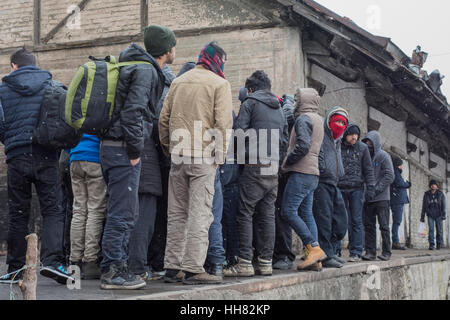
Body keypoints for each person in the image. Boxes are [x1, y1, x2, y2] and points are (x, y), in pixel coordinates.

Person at [99, 25, 170, 290]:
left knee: (121, 211)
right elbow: (134, 112)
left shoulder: (130, 66)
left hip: (110, 146)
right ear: (166, 49)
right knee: (123, 213)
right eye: (173, 45)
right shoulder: (145, 70)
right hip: (121, 149)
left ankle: (116, 267)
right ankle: (112, 272)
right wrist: (134, 150)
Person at [159, 41, 233, 285]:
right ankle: (193, 268)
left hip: (179, 154)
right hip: (204, 156)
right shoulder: (220, 84)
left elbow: (164, 118)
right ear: (217, 60)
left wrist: (168, 148)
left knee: (177, 212)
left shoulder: (179, 81)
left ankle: (172, 266)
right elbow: (223, 124)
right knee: (201, 213)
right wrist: (220, 157)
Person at [0, 48, 71, 284]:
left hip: (16, 156)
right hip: (45, 155)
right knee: (52, 209)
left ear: (13, 66)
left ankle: (15, 269)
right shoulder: (51, 84)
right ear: (35, 65)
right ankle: (52, 262)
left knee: (18, 213)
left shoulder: (3, 89)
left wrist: (11, 141)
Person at [224, 70, 288, 277]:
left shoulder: (249, 103)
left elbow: (239, 134)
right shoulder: (279, 108)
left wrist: (240, 160)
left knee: (245, 212)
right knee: (268, 215)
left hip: (254, 165)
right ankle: (266, 262)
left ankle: (244, 263)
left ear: (250, 89)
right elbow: (284, 141)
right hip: (273, 167)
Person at [127, 36, 177, 282]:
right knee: (144, 217)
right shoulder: (154, 80)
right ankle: (136, 267)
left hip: (124, 155)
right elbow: (154, 122)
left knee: (122, 214)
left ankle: (116, 265)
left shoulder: (129, 72)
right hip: (146, 158)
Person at [280, 88, 327, 271]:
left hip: (300, 171)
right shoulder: (318, 119)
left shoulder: (303, 119)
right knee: (307, 213)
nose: (295, 103)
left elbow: (303, 146)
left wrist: (286, 162)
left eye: (297, 99)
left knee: (288, 211)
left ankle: (313, 248)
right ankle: (314, 259)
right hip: (312, 173)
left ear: (303, 101)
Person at [312, 106, 349, 268]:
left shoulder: (338, 141)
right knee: (324, 221)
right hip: (322, 183)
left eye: (343, 122)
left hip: (334, 183)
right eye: (337, 121)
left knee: (340, 221)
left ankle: (332, 251)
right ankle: (326, 256)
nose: (340, 125)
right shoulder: (323, 136)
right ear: (329, 121)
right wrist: (321, 168)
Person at [69, 134, 107, 279]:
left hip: (75, 157)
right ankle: (90, 261)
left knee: (78, 211)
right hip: (94, 158)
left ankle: (75, 260)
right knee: (95, 211)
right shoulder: (98, 110)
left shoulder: (75, 110)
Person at [338, 123, 376, 262]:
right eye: (351, 134)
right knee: (339, 220)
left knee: (356, 220)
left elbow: (368, 169)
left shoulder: (363, 148)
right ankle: (336, 251)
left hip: (357, 188)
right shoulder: (338, 146)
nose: (354, 137)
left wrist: (370, 187)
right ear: (345, 134)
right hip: (340, 187)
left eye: (356, 135)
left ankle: (356, 252)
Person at [361, 131, 395, 261]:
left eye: (370, 144)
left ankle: (387, 252)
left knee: (384, 226)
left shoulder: (383, 156)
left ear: (376, 144)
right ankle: (370, 252)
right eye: (366, 144)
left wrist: (376, 190)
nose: (368, 147)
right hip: (367, 199)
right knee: (369, 226)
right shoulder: (364, 157)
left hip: (382, 199)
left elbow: (389, 176)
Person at [272, 94, 297, 270]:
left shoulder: (285, 112)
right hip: (285, 170)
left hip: (282, 170)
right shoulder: (289, 112)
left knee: (281, 214)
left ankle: (284, 254)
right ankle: (284, 253)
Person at [390, 156, 411, 250]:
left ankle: (395, 241)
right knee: (397, 221)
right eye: (400, 165)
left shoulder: (396, 172)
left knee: (396, 221)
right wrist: (408, 184)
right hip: (397, 200)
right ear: (397, 165)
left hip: (396, 199)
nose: (401, 167)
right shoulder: (395, 172)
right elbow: (400, 183)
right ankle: (395, 242)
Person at [421, 180, 446, 250]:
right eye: (432, 184)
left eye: (434, 184)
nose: (433, 185)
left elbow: (444, 205)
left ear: (437, 186)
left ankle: (439, 244)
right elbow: (424, 205)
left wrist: (444, 214)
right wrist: (422, 216)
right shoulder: (426, 194)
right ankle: (431, 244)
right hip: (430, 214)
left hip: (439, 214)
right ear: (430, 186)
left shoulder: (441, 194)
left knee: (439, 230)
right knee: (431, 229)